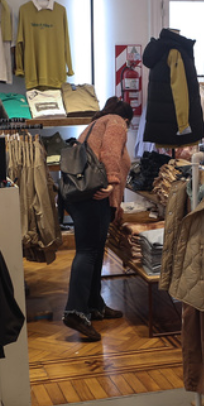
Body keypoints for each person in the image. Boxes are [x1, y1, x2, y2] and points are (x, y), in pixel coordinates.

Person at [62, 97, 133, 342]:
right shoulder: (116, 122)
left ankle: (94, 305)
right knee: (88, 252)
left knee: (93, 251)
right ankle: (76, 312)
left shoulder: (93, 125)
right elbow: (110, 153)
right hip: (94, 196)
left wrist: (115, 203)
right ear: (127, 118)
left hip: (81, 196)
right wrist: (112, 182)